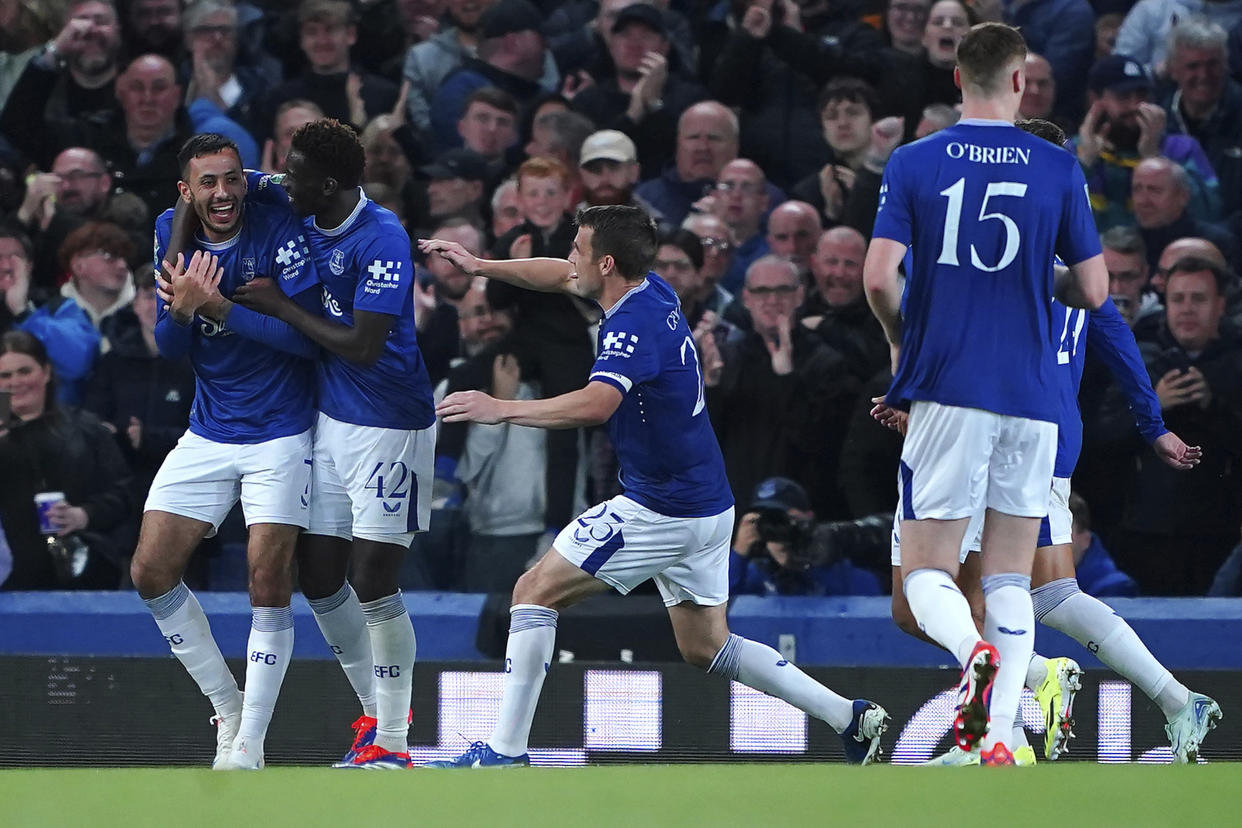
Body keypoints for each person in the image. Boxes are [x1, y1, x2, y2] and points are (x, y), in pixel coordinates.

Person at [419, 204, 889, 768]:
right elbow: (557, 274)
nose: (570, 258)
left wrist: (502, 407)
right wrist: (482, 266)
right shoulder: (651, 288)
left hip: (661, 507)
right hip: (707, 503)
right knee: (706, 646)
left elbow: (598, 404)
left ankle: (504, 751)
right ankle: (851, 718)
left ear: (608, 263)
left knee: (531, 592)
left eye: (579, 248)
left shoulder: (631, 325)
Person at [881, 116, 1217, 766]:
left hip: (981, 432)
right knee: (1047, 593)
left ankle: (992, 732)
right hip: (1049, 440)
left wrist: (912, 396)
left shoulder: (981, 250)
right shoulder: (1071, 266)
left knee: (942, 592)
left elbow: (931, 320)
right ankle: (1173, 698)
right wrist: (1154, 428)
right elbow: (1118, 343)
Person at [863, 22, 1109, 766]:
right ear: (1020, 83)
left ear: (956, 79)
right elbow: (1094, 289)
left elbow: (877, 276)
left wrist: (901, 340)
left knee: (929, 570)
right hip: (1033, 398)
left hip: (950, 385)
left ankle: (973, 656)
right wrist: (1039, 280)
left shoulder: (913, 162)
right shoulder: (1059, 167)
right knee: (1009, 574)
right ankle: (998, 739)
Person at [226, 119, 435, 770]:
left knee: (373, 579)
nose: (286, 181)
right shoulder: (299, 200)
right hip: (331, 419)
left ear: (334, 184)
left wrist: (278, 308)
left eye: (298, 174)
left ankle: (394, 743)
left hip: (392, 423)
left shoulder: (383, 239)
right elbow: (238, 185)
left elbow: (363, 346)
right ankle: (375, 714)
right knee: (317, 576)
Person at [132, 134, 320, 771]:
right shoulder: (168, 232)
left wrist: (219, 307)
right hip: (210, 428)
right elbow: (169, 348)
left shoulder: (279, 225)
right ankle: (228, 706)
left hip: (282, 429)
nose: (223, 193)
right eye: (208, 182)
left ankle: (248, 746)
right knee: (150, 572)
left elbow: (308, 343)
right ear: (186, 191)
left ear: (247, 181)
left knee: (268, 580)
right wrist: (183, 313)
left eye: (233, 179)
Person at [0, 330, 135, 590]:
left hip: (80, 576)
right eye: (5, 375)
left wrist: (84, 515)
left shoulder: (86, 430)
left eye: (25, 371)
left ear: (46, 372)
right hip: (9, 581)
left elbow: (124, 494)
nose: (16, 382)